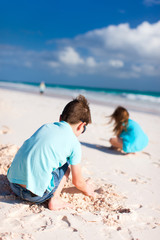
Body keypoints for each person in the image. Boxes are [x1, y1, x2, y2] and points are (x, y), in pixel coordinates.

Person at [7, 95, 94, 210]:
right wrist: (88, 190)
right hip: (34, 196)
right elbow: (77, 181)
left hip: (14, 185)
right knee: (65, 168)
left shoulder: (45, 127)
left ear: (60, 118)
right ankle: (55, 200)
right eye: (84, 129)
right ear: (81, 126)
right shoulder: (74, 144)